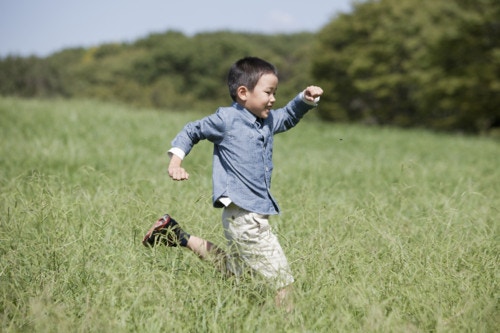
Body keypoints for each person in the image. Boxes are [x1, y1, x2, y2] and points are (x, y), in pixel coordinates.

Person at [143, 56, 323, 310]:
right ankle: (287, 325)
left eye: (275, 93)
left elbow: (289, 116)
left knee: (239, 273)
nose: (273, 99)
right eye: (268, 92)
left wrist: (304, 99)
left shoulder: (267, 120)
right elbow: (192, 130)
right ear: (243, 93)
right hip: (246, 216)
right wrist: (175, 163)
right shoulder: (226, 120)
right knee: (283, 284)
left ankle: (174, 234)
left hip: (243, 216)